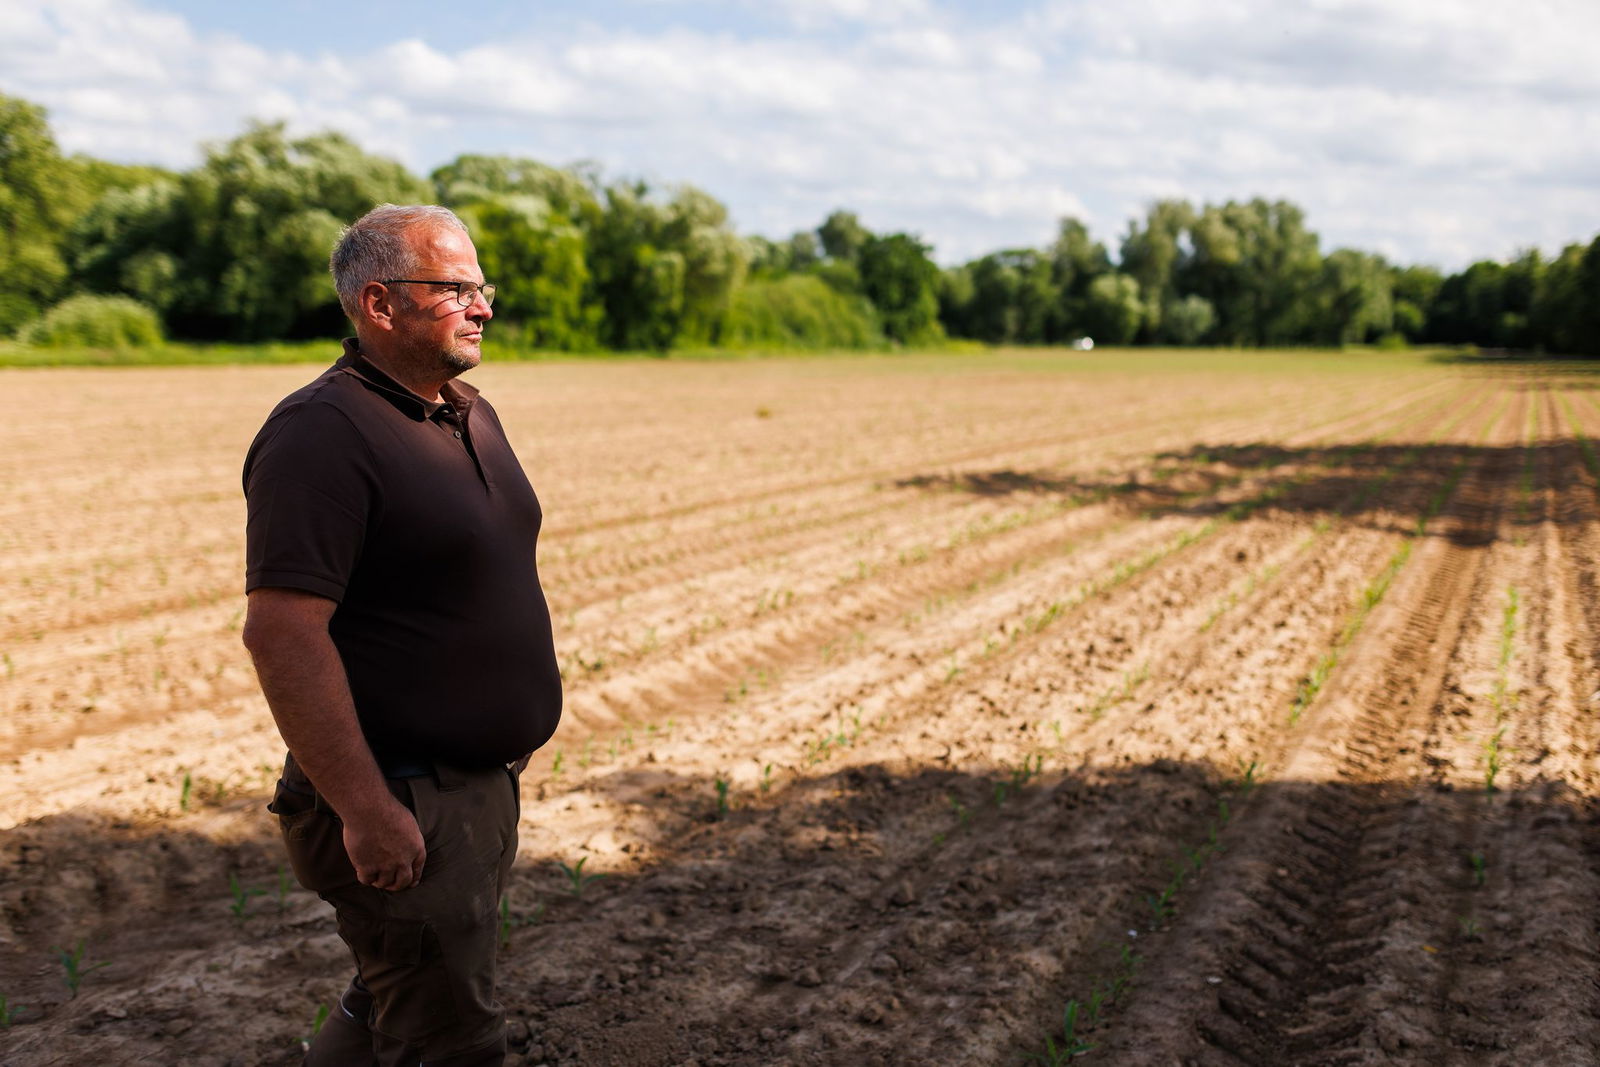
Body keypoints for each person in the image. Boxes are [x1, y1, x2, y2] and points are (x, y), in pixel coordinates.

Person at [241, 204, 562, 1066]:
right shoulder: (322, 433)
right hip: (400, 794)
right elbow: (282, 632)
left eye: (481, 286)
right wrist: (367, 809)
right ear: (379, 305)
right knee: (449, 1036)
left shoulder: (465, 408)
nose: (483, 304)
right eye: (456, 287)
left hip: (470, 788)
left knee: (392, 990)